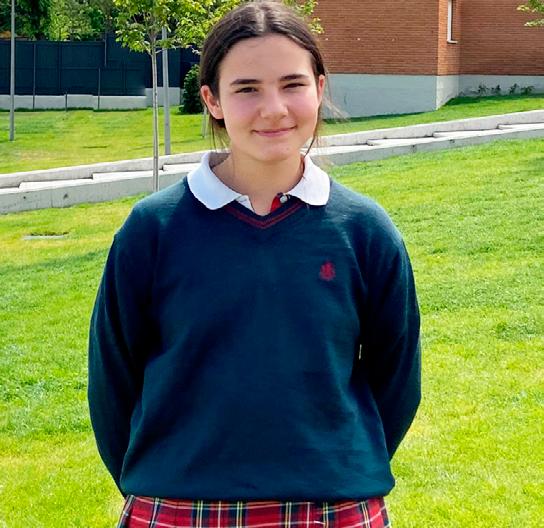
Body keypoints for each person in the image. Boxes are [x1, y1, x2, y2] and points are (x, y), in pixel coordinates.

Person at [87, 2, 421, 527]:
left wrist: (338, 465)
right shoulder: (153, 230)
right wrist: (163, 476)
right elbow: (113, 384)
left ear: (320, 89)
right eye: (247, 89)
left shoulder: (364, 231)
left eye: (292, 84)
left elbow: (396, 380)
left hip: (333, 508)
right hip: (178, 507)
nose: (274, 109)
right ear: (212, 100)